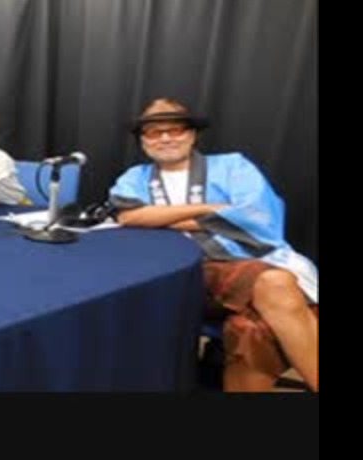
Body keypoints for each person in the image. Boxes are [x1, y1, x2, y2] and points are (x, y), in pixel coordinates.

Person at [108, 97, 318, 392]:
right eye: (154, 132)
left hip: (250, 261)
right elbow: (130, 216)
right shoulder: (134, 178)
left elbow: (257, 216)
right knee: (275, 282)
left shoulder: (233, 166)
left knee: (252, 330)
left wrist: (160, 217)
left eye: (175, 129)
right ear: (144, 141)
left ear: (192, 134)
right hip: (186, 273)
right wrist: (211, 208)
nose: (165, 138)